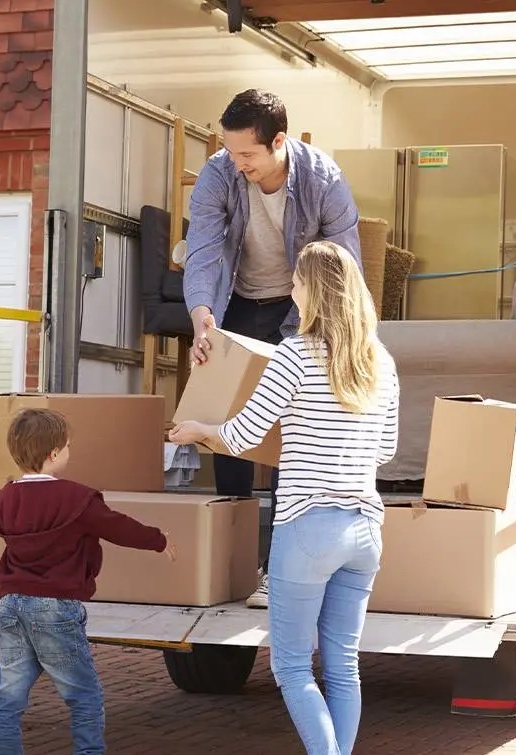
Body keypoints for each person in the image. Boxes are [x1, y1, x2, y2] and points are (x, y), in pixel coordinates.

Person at [170, 240, 398, 755]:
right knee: (343, 666)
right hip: (364, 529)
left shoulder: (294, 355)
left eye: (296, 283)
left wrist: (198, 429)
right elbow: (385, 449)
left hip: (306, 526)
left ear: (314, 292)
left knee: (292, 668)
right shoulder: (381, 361)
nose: (291, 292)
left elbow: (245, 435)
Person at [183, 88, 362, 609]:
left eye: (248, 155)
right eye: (231, 152)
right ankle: (234, 561)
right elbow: (204, 250)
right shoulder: (220, 173)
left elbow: (341, 268)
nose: (237, 164)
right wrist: (201, 317)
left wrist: (315, 336)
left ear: (279, 141)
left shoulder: (323, 180)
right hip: (235, 302)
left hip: (302, 308)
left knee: (291, 430)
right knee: (228, 422)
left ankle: (279, 569)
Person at [0, 408, 177, 755]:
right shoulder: (76, 499)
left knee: (9, 693)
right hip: (56, 607)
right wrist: (158, 540)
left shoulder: (4, 498)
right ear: (54, 453)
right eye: (69, 446)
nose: (70, 453)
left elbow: (1, 529)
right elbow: (117, 526)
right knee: (84, 694)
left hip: (12, 603)